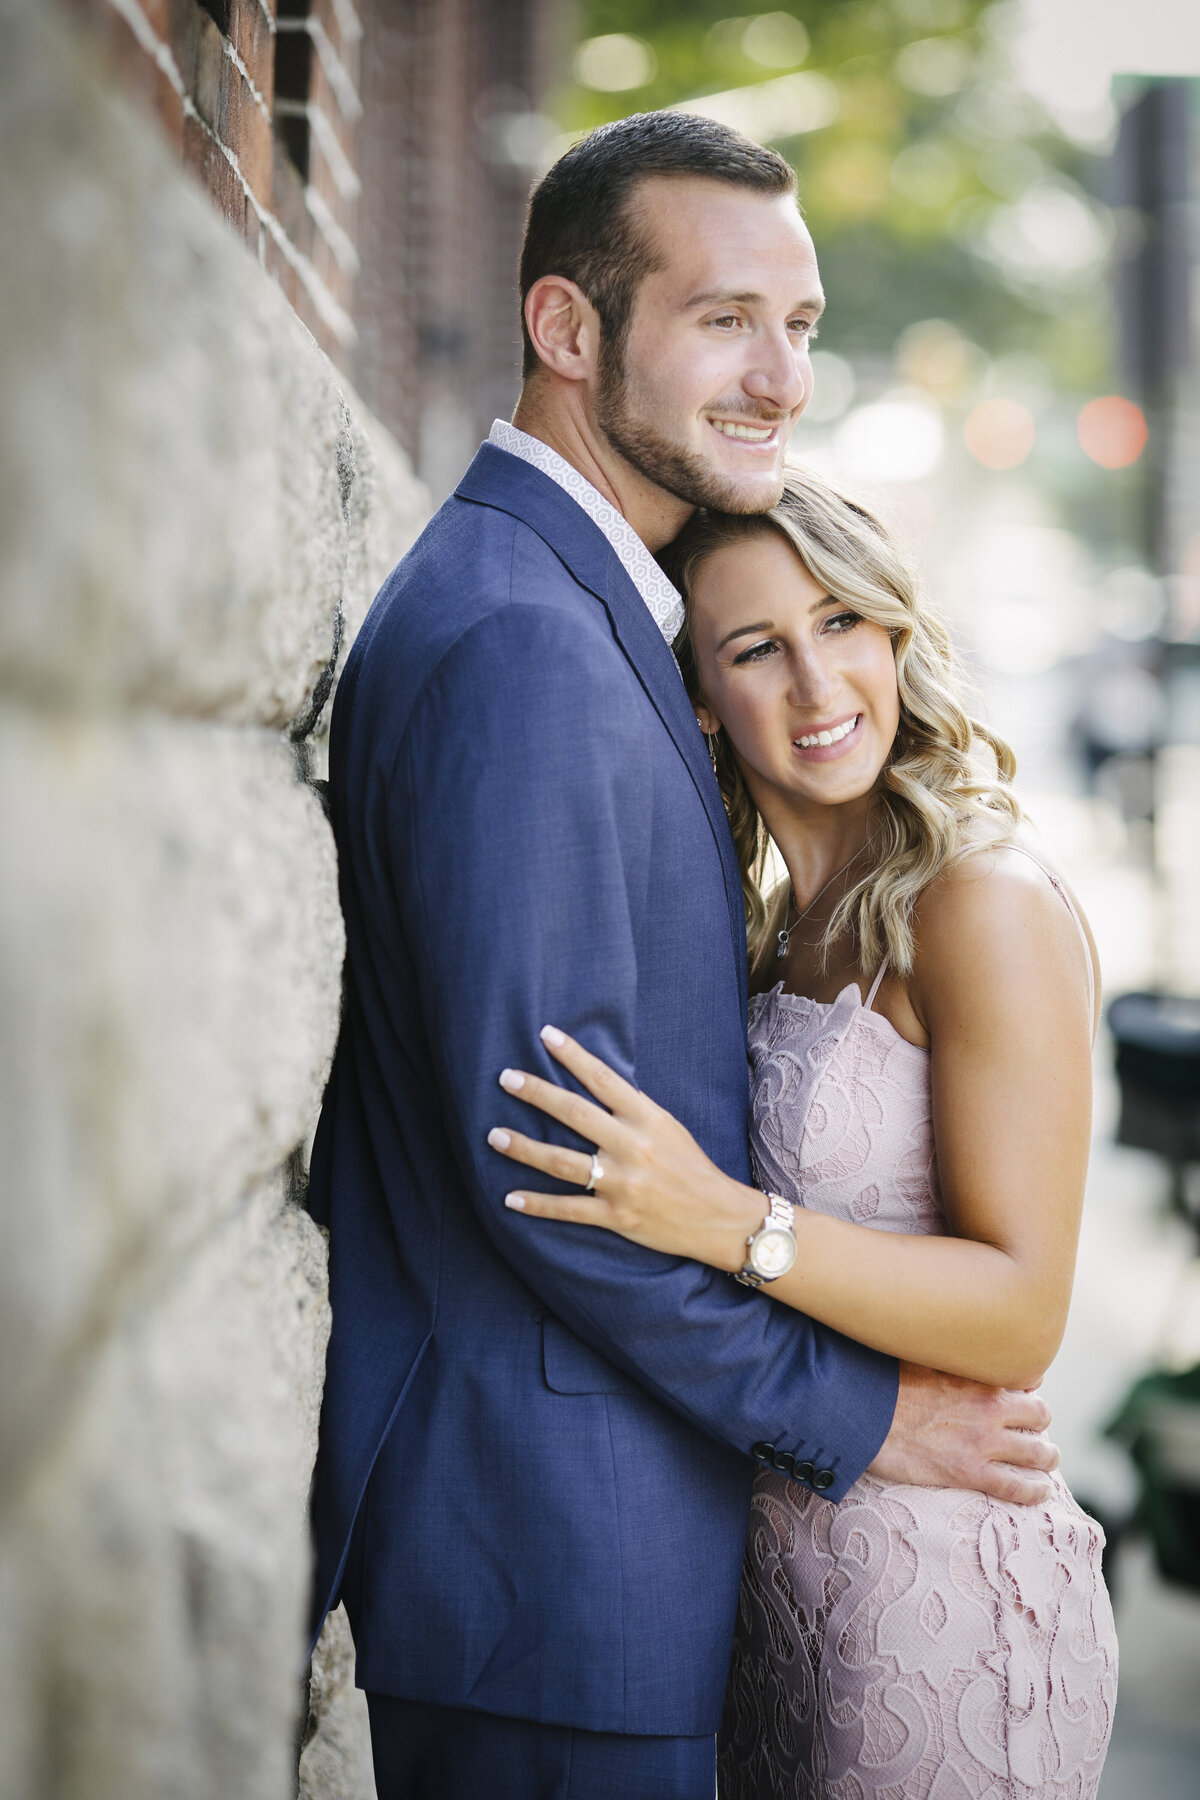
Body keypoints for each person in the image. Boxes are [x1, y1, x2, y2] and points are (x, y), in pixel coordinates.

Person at [306, 111, 1059, 1800]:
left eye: (797, 324)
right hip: (547, 1553)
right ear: (569, 330)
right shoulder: (525, 641)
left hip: (599, 1549)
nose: (782, 376)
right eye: (725, 318)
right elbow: (554, 1172)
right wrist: (866, 1421)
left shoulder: (577, 603)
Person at [489, 464, 1119, 1797]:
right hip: (785, 1586)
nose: (820, 686)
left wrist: (721, 1220)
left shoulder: (978, 901)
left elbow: (1022, 1310)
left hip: (946, 1594)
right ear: (704, 704)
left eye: (841, 622)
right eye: (758, 649)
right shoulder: (773, 939)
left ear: (895, 633)